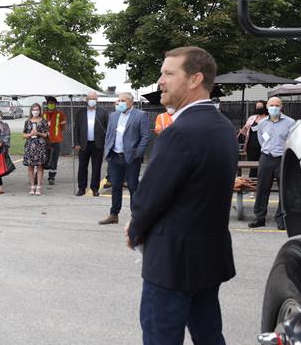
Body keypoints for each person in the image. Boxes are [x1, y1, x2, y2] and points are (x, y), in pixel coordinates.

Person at [127, 46, 237, 345]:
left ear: (194, 79)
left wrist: (135, 229)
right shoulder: (223, 127)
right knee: (209, 335)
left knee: (160, 336)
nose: (160, 81)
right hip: (207, 257)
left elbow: (149, 197)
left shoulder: (180, 132)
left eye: (168, 73)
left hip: (172, 263)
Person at [100, 93, 150, 225]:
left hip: (131, 158)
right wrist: (107, 150)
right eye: (118, 100)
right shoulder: (113, 115)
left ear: (130, 102)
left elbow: (145, 137)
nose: (119, 103)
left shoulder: (140, 115)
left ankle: (136, 217)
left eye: (122, 100)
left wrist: (137, 153)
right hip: (115, 156)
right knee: (115, 186)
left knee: (133, 187)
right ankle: (114, 214)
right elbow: (109, 134)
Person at [249, 96, 295, 230]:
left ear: (281, 107)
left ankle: (281, 219)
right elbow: (261, 140)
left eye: (277, 105)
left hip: (283, 158)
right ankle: (259, 218)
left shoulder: (290, 123)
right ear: (267, 107)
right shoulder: (262, 123)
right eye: (271, 105)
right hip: (266, 158)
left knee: (284, 190)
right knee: (262, 189)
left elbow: (292, 141)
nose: (274, 107)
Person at [73, 91, 108, 196]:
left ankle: (95, 188)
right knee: (82, 167)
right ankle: (82, 188)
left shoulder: (103, 112)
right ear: (86, 100)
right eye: (90, 98)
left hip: (98, 144)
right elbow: (76, 129)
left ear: (97, 100)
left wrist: (106, 142)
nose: (92, 100)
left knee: (96, 167)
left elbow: (107, 128)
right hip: (83, 144)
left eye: (94, 98)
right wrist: (76, 143)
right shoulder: (80, 113)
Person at [23, 103, 49, 195]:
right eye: (34, 109)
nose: (35, 111)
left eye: (37, 109)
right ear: (31, 110)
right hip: (30, 146)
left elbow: (46, 135)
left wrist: (38, 133)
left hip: (40, 146)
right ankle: (32, 186)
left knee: (39, 166)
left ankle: (38, 187)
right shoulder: (27, 121)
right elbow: (23, 135)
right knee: (30, 166)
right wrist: (30, 134)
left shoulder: (43, 121)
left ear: (40, 110)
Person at [238, 100, 268, 178]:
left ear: (265, 107)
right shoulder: (252, 118)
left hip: (264, 146)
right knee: (252, 167)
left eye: (260, 106)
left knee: (263, 166)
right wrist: (244, 129)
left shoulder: (269, 118)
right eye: (257, 106)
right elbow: (244, 133)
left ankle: (262, 183)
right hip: (251, 146)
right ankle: (252, 184)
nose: (259, 108)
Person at [42, 96, 68, 185]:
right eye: (49, 103)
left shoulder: (60, 114)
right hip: (44, 141)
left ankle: (51, 177)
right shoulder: (43, 114)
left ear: (55, 104)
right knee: (43, 158)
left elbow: (63, 127)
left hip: (56, 140)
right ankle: (37, 175)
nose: (51, 105)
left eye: (53, 103)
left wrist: (55, 132)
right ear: (47, 104)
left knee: (54, 159)